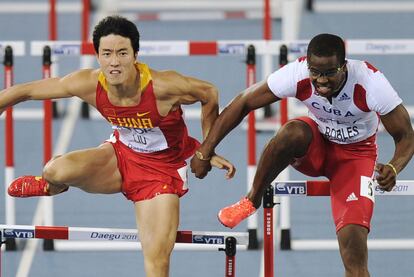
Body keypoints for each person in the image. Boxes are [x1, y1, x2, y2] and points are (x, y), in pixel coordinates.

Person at [0, 16, 235, 277]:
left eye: (122, 53)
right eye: (107, 53)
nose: (114, 62)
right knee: (54, 170)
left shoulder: (163, 86)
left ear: (135, 54)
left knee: (156, 263)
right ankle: (53, 187)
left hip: (161, 173)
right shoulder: (88, 83)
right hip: (120, 157)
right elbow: (25, 91)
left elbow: (209, 92)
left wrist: (206, 148)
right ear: (97, 56)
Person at [191, 33, 414, 276]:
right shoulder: (296, 74)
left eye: (330, 72)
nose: (321, 80)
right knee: (291, 132)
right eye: (315, 72)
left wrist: (393, 167)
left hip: (356, 158)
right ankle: (251, 200)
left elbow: (406, 136)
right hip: (316, 148)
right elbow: (243, 102)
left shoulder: (371, 83)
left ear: (344, 66)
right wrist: (204, 151)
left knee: (353, 251)